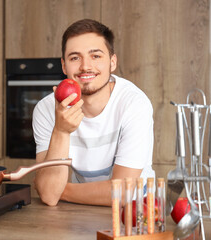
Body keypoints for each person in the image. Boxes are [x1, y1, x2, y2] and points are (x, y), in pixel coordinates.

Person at [32, 19, 155, 207]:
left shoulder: (134, 104)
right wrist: (61, 131)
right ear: (64, 66)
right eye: (75, 58)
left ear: (112, 62)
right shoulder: (46, 109)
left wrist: (60, 190)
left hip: (137, 213)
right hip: (81, 210)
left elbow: (122, 192)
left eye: (95, 56)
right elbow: (49, 196)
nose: (85, 66)